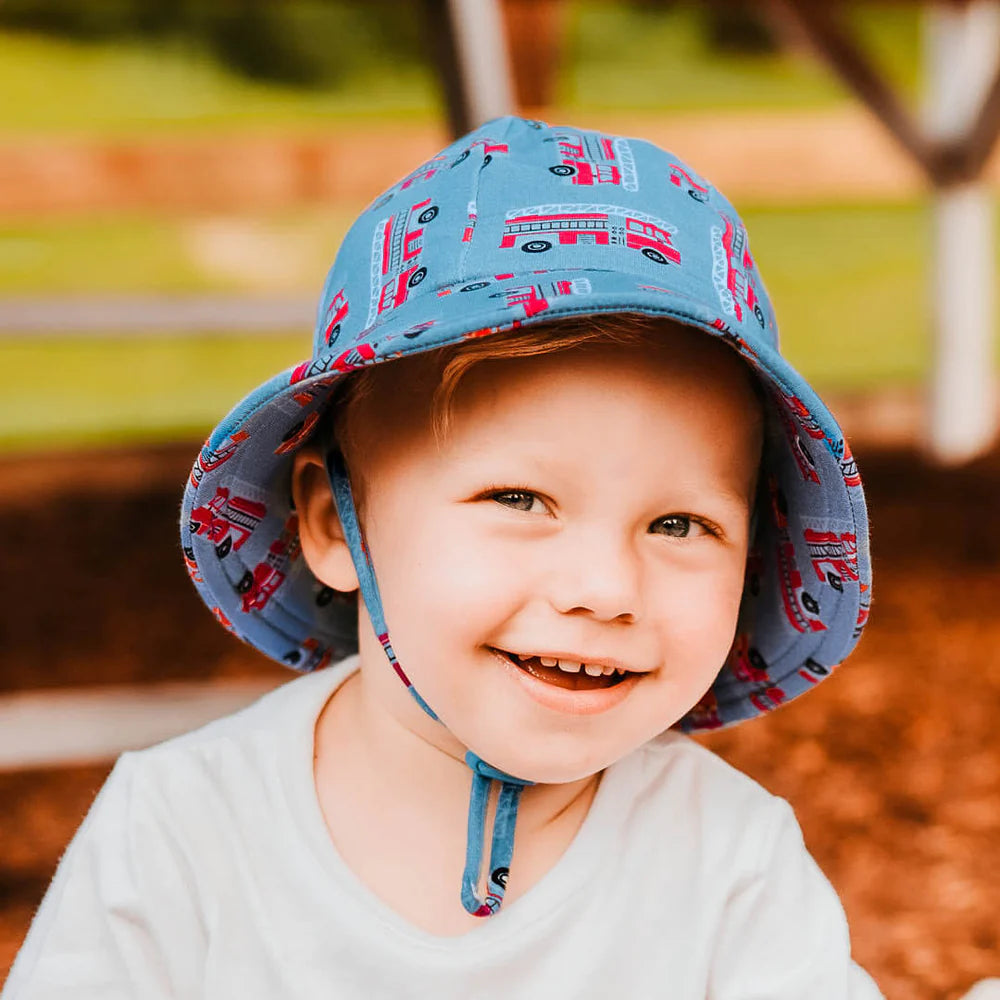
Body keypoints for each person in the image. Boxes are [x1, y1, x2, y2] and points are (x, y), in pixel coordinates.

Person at [6, 116, 891, 998]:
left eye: (679, 525)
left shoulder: (728, 865)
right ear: (331, 522)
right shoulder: (182, 834)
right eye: (519, 500)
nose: (605, 589)